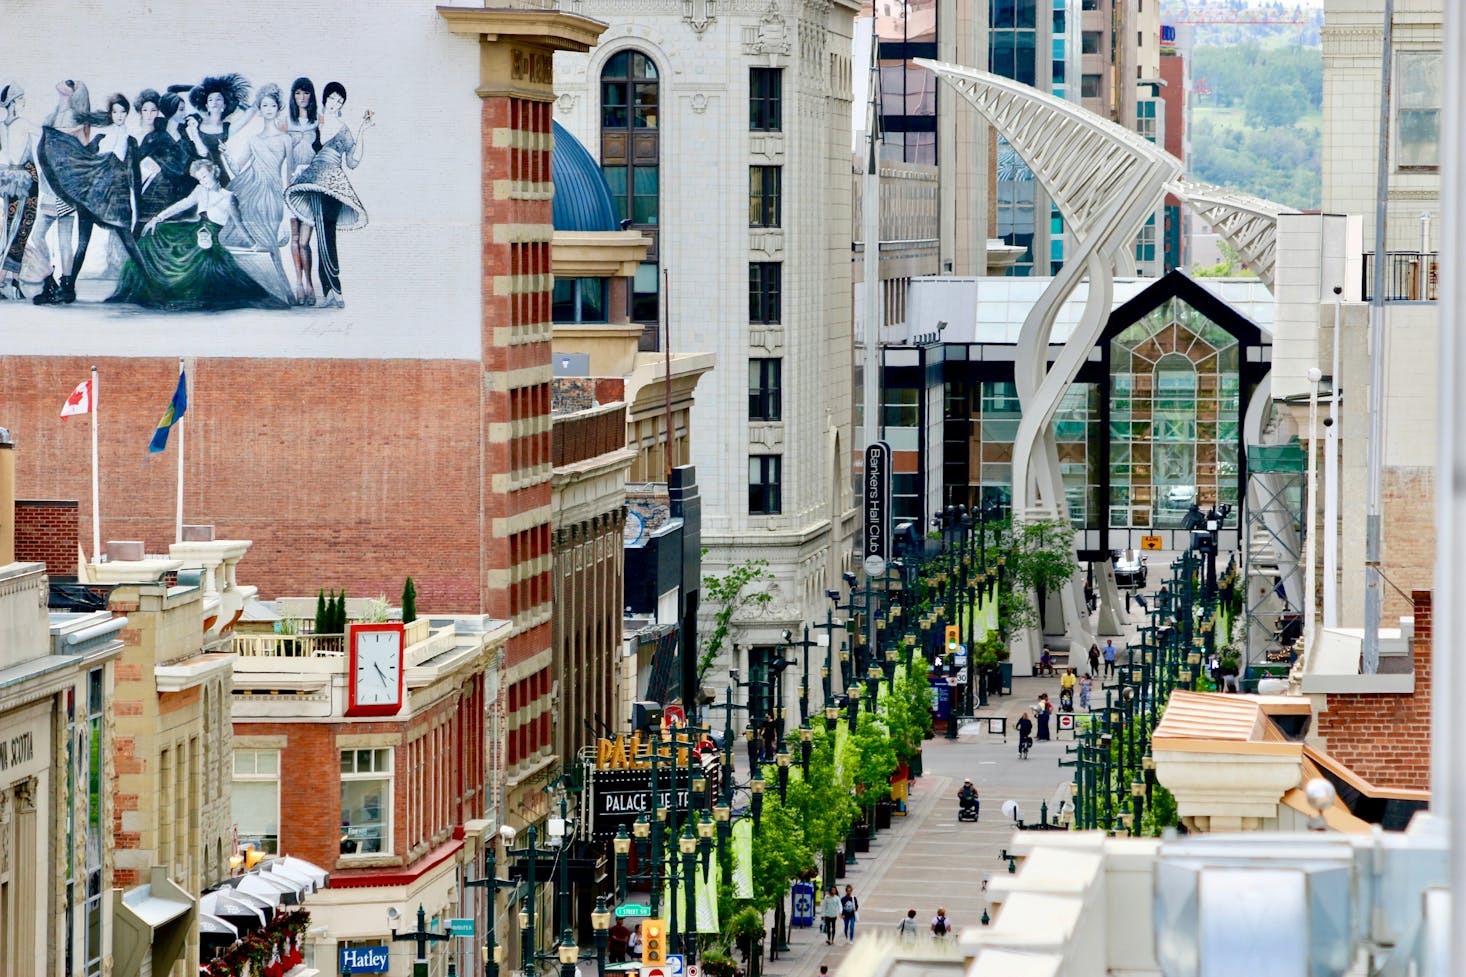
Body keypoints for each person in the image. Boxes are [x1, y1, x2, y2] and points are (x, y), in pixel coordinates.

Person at [284, 81, 372, 309]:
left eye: (340, 101)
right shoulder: (315, 122)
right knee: (321, 234)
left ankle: (336, 290)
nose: (335, 103)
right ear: (325, 98)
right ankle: (330, 291)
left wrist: (362, 130)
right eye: (332, 98)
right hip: (314, 181)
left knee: (327, 234)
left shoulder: (342, 128)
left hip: (334, 183)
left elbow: (352, 161)